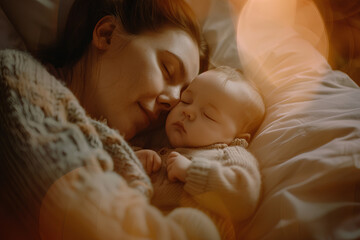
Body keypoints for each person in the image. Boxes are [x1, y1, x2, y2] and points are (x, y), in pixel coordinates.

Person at [0, 0, 221, 239]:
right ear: (106, 34)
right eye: (167, 69)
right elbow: (71, 201)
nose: (173, 101)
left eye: (183, 96)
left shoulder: (132, 151)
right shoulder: (19, 79)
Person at [135, 66, 265, 239]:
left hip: (191, 230)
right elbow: (114, 150)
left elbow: (244, 196)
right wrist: (136, 157)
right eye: (186, 100)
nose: (187, 112)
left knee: (193, 223)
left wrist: (191, 172)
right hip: (140, 223)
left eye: (208, 115)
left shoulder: (229, 153)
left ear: (236, 137)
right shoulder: (156, 138)